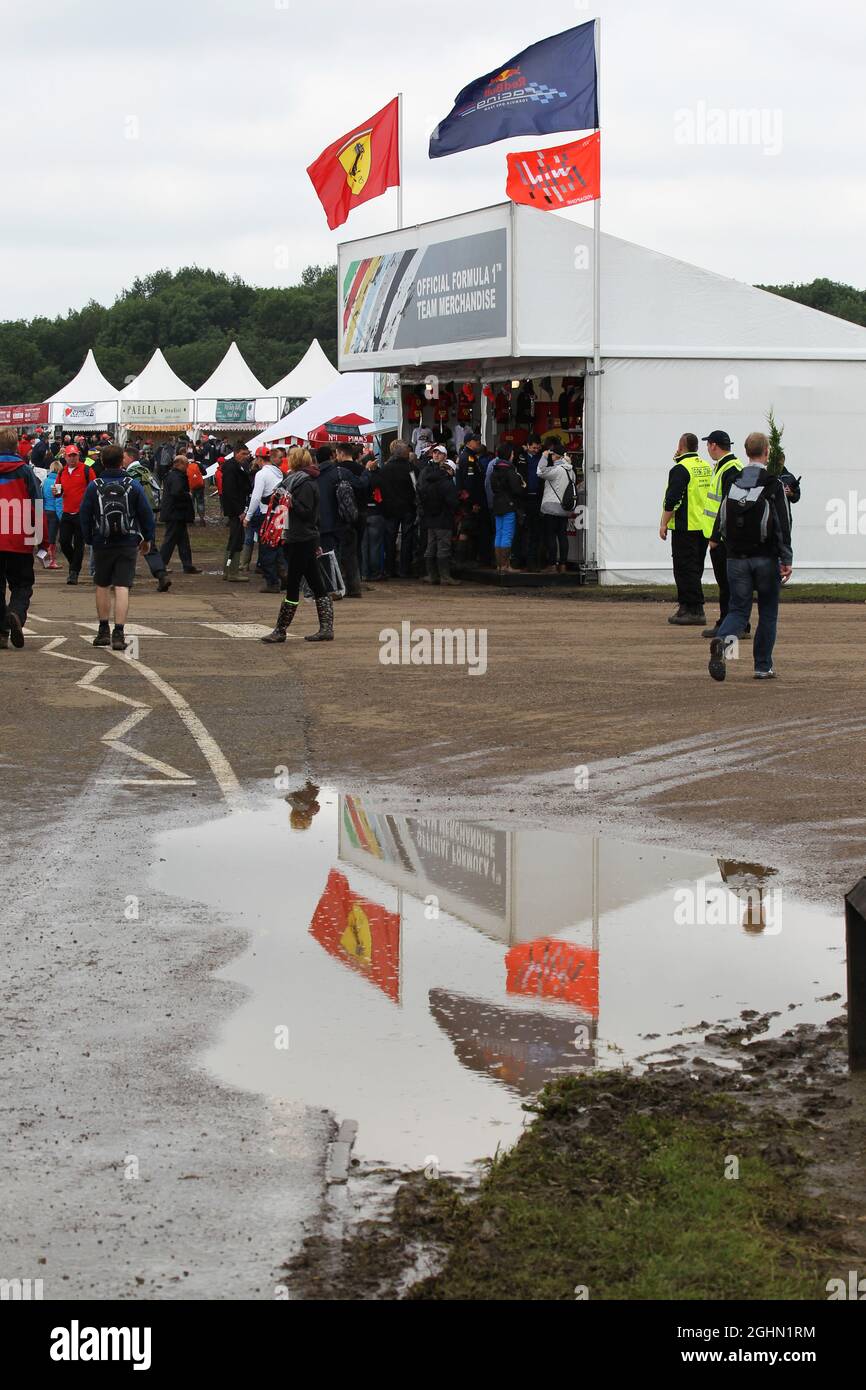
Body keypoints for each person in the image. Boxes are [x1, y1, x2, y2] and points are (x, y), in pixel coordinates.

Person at [708, 432, 793, 683]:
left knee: (738, 610)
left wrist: (720, 543)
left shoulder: (733, 480)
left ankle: (724, 644)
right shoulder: (772, 483)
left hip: (735, 557)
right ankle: (762, 666)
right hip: (765, 558)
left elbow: (721, 518)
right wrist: (786, 558)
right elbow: (782, 524)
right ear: (766, 452)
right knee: (767, 612)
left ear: (746, 452)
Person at [78, 444, 156, 651]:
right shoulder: (133, 485)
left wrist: (89, 539)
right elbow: (146, 514)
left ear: (102, 461)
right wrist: (147, 538)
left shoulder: (95, 485)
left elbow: (84, 514)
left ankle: (102, 629)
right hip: (128, 540)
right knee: (122, 586)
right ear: (122, 460)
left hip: (102, 541)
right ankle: (119, 632)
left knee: (102, 584)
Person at [261, 446, 334, 645]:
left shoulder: (306, 484)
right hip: (297, 537)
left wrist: (291, 502)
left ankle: (281, 630)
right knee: (315, 582)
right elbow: (269, 500)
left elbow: (308, 514)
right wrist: (275, 499)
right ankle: (326, 628)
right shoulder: (291, 481)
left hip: (302, 538)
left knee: (293, 584)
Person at [659, 432, 714, 626]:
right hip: (703, 526)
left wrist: (664, 523)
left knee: (684, 568)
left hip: (685, 525)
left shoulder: (681, 469)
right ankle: (686, 606)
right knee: (695, 567)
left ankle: (694, 609)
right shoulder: (707, 467)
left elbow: (673, 499)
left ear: (681, 446)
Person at [700, 430, 744, 638]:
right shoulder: (726, 466)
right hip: (724, 536)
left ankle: (728, 623)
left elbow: (727, 506)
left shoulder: (729, 468)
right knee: (728, 583)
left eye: (708, 445)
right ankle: (736, 623)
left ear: (714, 445)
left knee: (727, 584)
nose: (707, 449)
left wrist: (716, 537)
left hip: (724, 538)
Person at [0, 426, 41, 650]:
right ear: (17, 446)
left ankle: (1, 632)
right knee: (22, 583)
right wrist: (43, 541)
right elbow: (37, 504)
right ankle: (15, 612)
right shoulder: (25, 471)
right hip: (19, 534)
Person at [124, 446, 171, 592]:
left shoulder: (131, 473)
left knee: (128, 546)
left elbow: (129, 495)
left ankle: (125, 581)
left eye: (124, 457)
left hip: (136, 513)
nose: (122, 460)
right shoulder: (147, 471)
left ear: (131, 458)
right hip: (150, 512)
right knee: (150, 545)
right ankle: (161, 574)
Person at [243, 446, 285, 593]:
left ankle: (272, 582)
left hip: (266, 514)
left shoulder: (261, 474)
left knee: (267, 548)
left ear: (260, 459)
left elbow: (255, 497)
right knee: (280, 547)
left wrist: (248, 516)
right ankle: (284, 578)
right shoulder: (279, 473)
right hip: (281, 514)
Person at [418, 444, 460, 585]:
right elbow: (453, 503)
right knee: (443, 548)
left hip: (430, 520)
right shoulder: (447, 484)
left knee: (431, 547)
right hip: (443, 520)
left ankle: (432, 575)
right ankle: (445, 577)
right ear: (450, 471)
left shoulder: (429, 480)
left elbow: (422, 496)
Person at [55, 444, 96, 585]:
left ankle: (73, 573)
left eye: (75, 455)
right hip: (67, 512)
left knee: (79, 544)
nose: (72, 458)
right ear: (65, 457)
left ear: (78, 455)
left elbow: (94, 489)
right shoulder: (62, 472)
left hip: (82, 513)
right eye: (70, 455)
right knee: (64, 542)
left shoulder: (86, 470)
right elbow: (58, 491)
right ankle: (74, 564)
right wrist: (57, 492)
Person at [377, 440, 416, 580]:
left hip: (390, 508)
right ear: (405, 453)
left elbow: (380, 489)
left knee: (390, 539)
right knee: (407, 538)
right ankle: (405, 569)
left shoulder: (385, 469)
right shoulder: (410, 468)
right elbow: (416, 487)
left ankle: (389, 569)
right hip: (407, 508)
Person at [537, 440, 577, 573]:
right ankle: (563, 564)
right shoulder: (570, 471)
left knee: (551, 536)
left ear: (557, 456)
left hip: (552, 508)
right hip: (564, 509)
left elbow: (540, 472)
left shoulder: (556, 470)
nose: (551, 457)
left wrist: (543, 456)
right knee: (562, 536)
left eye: (552, 455)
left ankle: (552, 564)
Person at [159, 454, 201, 575]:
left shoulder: (172, 475)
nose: (188, 466)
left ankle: (187, 565)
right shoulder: (177, 477)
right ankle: (161, 565)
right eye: (186, 464)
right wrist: (188, 495)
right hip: (175, 513)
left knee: (182, 541)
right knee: (171, 539)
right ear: (180, 464)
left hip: (175, 512)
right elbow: (176, 492)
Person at [488, 443, 527, 574]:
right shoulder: (510, 471)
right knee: (507, 534)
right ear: (509, 455)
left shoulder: (495, 470)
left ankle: (499, 565)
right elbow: (517, 490)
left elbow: (493, 488)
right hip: (509, 505)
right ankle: (505, 565)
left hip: (497, 504)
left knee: (499, 533)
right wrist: (522, 486)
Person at [220, 444, 252, 581]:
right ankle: (232, 571)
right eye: (244, 454)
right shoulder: (232, 468)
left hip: (236, 507)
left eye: (247, 454)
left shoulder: (236, 466)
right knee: (236, 538)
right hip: (235, 508)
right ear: (236, 453)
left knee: (235, 538)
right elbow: (230, 491)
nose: (246, 457)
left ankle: (228, 570)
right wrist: (239, 511)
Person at [512, 435, 544, 571]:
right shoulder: (520, 457)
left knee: (535, 532)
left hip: (537, 499)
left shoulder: (542, 458)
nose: (536, 450)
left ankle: (532, 562)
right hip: (522, 500)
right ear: (528, 446)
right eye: (533, 447)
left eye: (538, 447)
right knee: (520, 531)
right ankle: (517, 560)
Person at [361, 454, 386, 580]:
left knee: (364, 546)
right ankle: (375, 572)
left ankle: (365, 572)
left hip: (364, 512)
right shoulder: (380, 476)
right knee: (375, 545)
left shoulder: (362, 476)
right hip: (376, 513)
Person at [37, 457, 63, 569]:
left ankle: (44, 559)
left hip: (44, 511)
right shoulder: (57, 482)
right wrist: (61, 515)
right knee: (52, 539)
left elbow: (40, 497)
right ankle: (51, 561)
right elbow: (58, 500)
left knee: (45, 537)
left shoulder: (44, 481)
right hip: (54, 512)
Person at [186, 452, 206, 525]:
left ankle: (191, 520)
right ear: (193, 457)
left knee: (191, 503)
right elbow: (205, 473)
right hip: (199, 486)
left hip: (189, 487)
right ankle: (201, 518)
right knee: (200, 502)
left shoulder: (185, 464)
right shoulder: (198, 464)